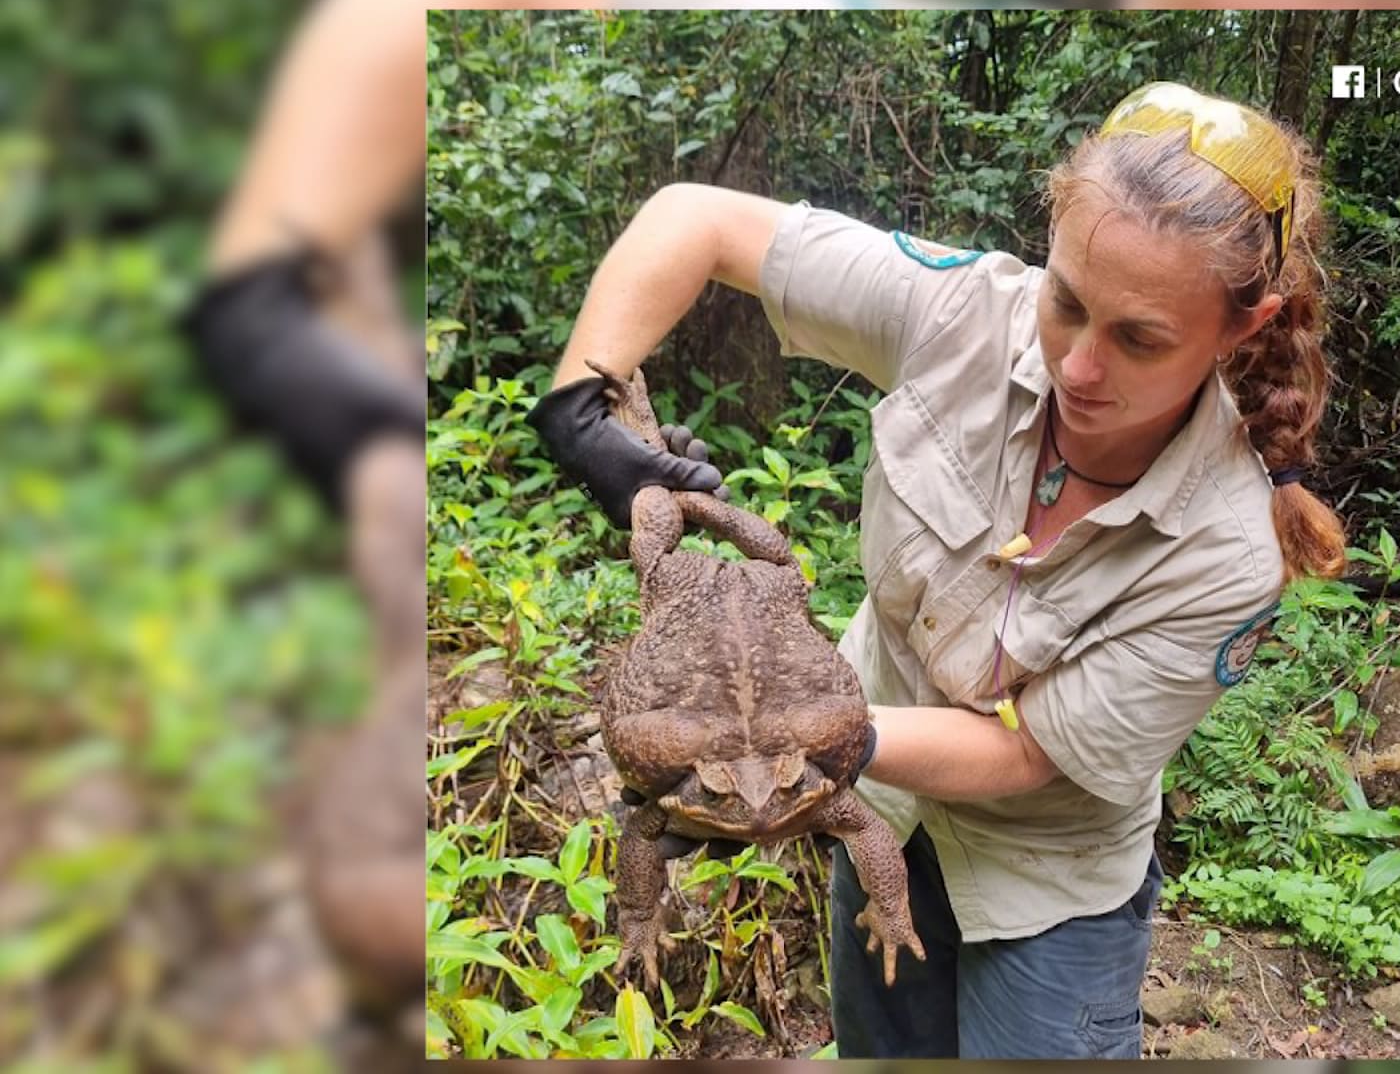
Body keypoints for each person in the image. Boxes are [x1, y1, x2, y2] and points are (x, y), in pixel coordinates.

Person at [531, 81, 1347, 1059]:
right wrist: (581, 411)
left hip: (1043, 885)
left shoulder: (1228, 551)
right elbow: (695, 220)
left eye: (1140, 338)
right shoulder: (964, 313)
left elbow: (1029, 753)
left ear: (1241, 328)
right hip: (880, 818)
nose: (1078, 366)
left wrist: (803, 743)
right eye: (1067, 302)